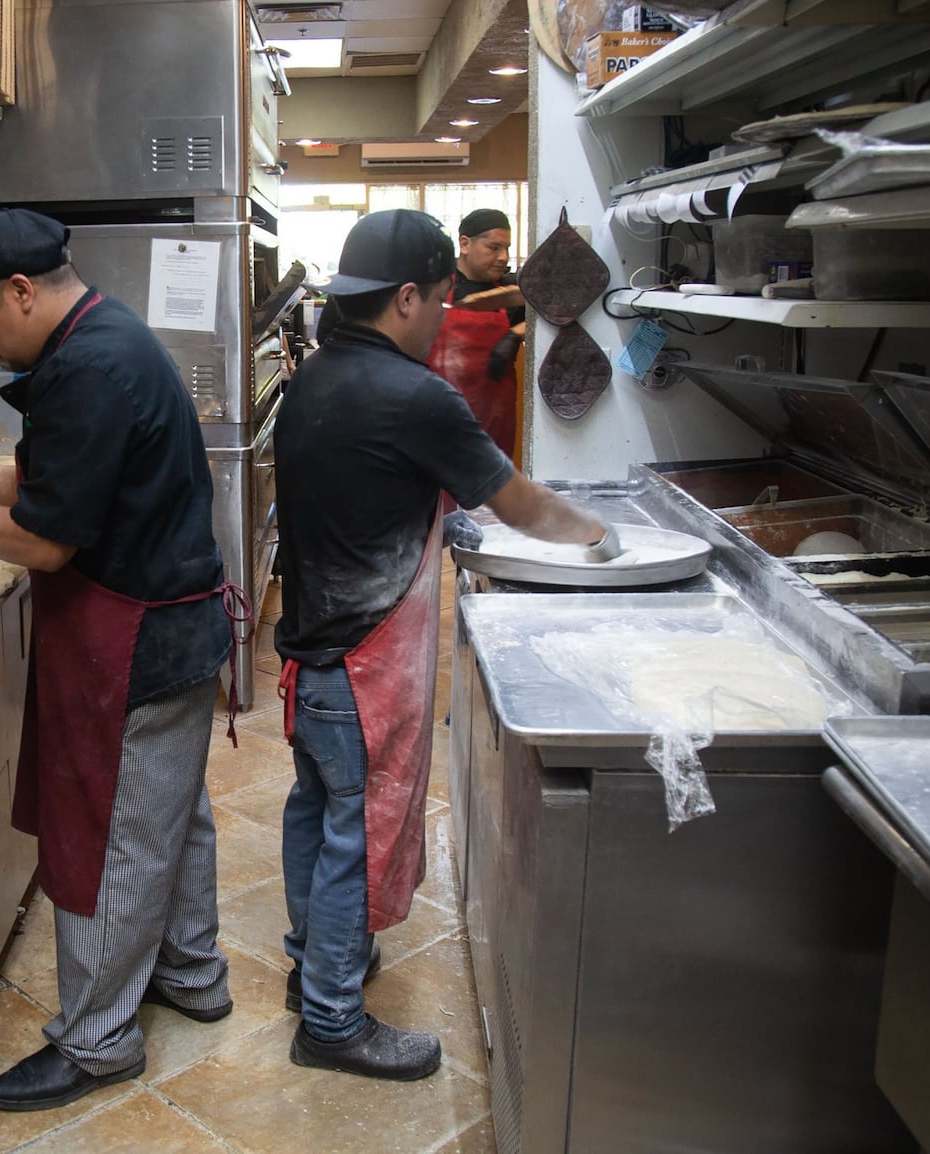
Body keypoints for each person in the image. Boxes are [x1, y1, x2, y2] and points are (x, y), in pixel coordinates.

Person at [0, 208, 240, 1113]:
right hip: (171, 626)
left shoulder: (92, 365)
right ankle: (191, 973)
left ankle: (99, 1040)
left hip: (136, 640)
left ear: (21, 290)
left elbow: (43, 540)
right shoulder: (101, 335)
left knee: (108, 834)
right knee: (173, 815)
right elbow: (53, 473)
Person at [272, 209, 617, 1082]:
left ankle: (313, 962)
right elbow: (523, 506)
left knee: (315, 809)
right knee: (357, 830)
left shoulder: (313, 380)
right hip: (363, 666)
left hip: (310, 655)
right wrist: (601, 536)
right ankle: (331, 1020)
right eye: (439, 300)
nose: (444, 316)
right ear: (408, 297)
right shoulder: (414, 395)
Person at [427, 207, 526, 460]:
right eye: (494, 248)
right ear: (465, 244)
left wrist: (515, 332)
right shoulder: (435, 289)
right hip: (440, 415)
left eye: (507, 248)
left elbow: (555, 312)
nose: (504, 257)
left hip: (494, 419)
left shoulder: (511, 292)